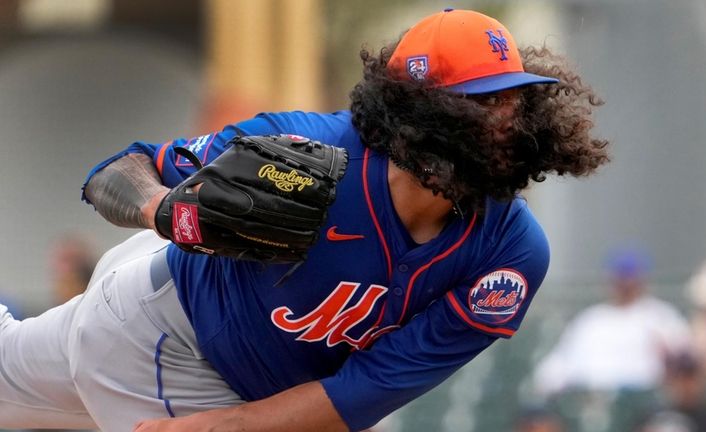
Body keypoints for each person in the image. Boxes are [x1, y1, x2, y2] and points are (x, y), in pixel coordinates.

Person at [0, 8, 608, 432]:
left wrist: (228, 426)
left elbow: (364, 391)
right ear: (418, 111)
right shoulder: (311, 153)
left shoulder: (510, 253)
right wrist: (171, 210)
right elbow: (120, 169)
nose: (506, 121)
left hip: (248, 384)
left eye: (512, 98)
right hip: (164, 331)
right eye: (482, 101)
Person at [532, 248, 692, 397]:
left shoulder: (661, 316)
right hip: (591, 400)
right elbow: (557, 365)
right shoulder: (591, 319)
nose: (625, 283)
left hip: (643, 400)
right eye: (620, 277)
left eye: (630, 276)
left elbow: (686, 362)